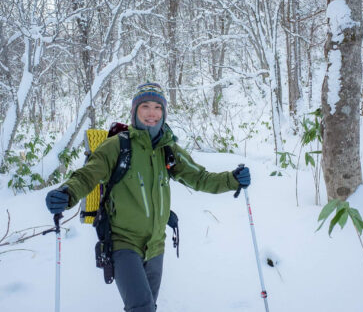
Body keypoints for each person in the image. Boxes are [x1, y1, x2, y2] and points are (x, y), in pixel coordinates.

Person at [46, 82, 251, 312]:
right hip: (123, 242)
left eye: (157, 107)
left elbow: (200, 178)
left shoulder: (168, 149)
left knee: (147, 306)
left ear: (163, 113)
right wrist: (67, 192)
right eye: (145, 106)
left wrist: (232, 180)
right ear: (135, 111)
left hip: (156, 246)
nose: (151, 113)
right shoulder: (117, 146)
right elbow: (87, 175)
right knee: (142, 307)